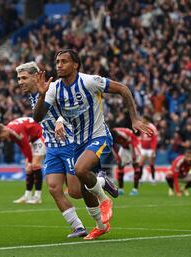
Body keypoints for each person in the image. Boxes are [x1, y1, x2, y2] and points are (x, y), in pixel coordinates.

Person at [33, 49, 152, 240]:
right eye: (57, 62)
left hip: (99, 135)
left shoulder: (89, 81)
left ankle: (104, 200)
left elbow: (123, 89)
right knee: (79, 191)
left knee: (80, 169)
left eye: (64, 61)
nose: (59, 65)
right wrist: (41, 95)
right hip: (77, 142)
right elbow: (38, 117)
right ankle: (100, 224)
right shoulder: (54, 88)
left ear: (75, 65)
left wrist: (135, 119)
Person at [14, 62, 118, 238]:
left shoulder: (54, 87)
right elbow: (39, 117)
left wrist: (60, 120)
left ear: (36, 76)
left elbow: (72, 105)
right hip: (53, 147)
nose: (20, 82)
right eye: (18, 79)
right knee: (54, 188)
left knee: (76, 192)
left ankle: (100, 181)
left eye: (24, 78)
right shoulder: (34, 96)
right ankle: (78, 227)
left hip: (69, 142)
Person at [0, 117, 45, 204]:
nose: (2, 139)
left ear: (3, 131)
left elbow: (25, 146)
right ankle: (27, 195)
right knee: (28, 167)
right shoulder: (11, 131)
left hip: (40, 136)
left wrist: (30, 161)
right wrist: (28, 160)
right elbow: (22, 146)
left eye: (1, 137)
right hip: (32, 139)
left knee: (35, 165)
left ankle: (37, 197)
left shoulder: (15, 131)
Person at [110, 127, 142, 196]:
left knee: (135, 165)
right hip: (124, 147)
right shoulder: (110, 136)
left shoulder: (122, 135)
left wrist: (133, 157)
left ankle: (135, 190)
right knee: (120, 166)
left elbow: (131, 144)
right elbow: (111, 146)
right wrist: (117, 157)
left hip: (134, 145)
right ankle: (121, 189)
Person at [138, 116, 159, 184]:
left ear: (146, 119)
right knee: (140, 163)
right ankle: (140, 179)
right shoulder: (142, 126)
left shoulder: (152, 127)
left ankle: (153, 179)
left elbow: (155, 138)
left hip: (150, 149)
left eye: (143, 119)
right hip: (144, 148)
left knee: (151, 164)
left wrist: (153, 149)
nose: (141, 120)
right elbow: (141, 136)